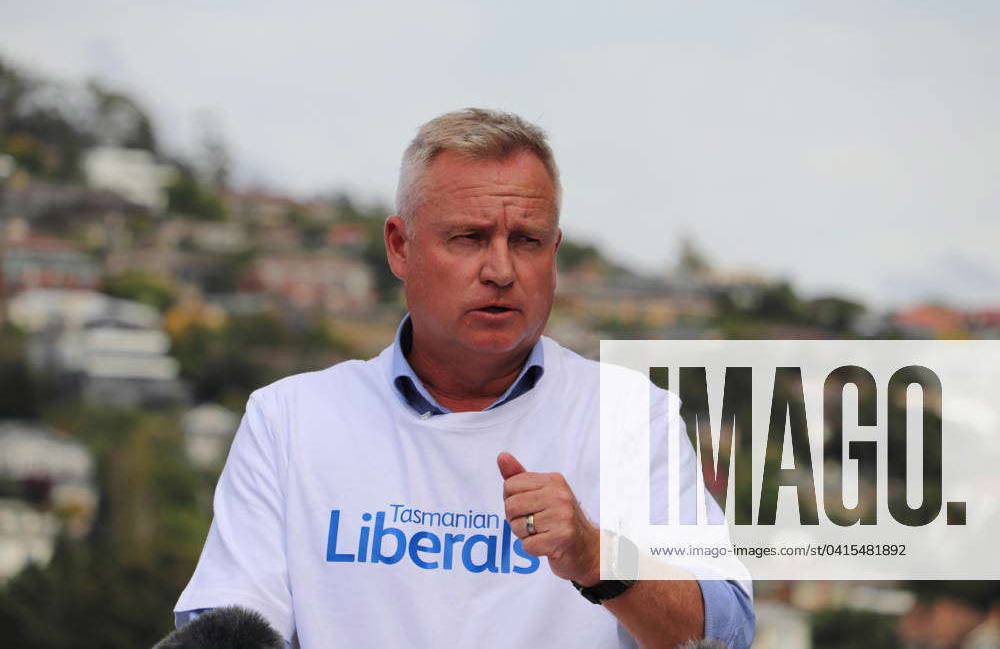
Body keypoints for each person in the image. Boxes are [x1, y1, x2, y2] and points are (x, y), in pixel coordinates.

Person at [172, 108, 755, 647]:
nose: (501, 270)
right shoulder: (290, 420)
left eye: (525, 241)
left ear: (554, 251)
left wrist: (596, 556)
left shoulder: (633, 417)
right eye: (469, 238)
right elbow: (225, 625)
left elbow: (725, 629)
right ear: (400, 247)